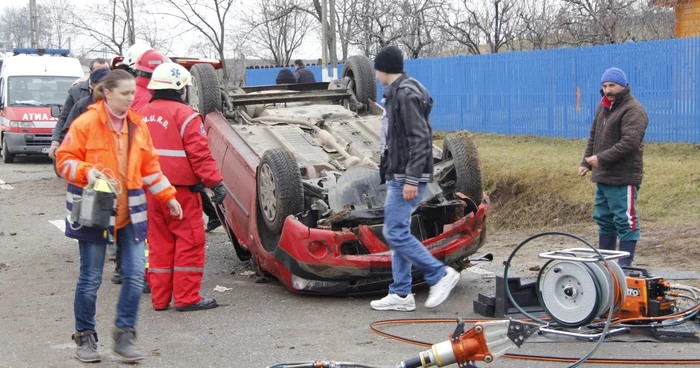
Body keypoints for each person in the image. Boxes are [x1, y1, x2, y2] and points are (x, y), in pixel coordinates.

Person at [56, 69, 183, 363]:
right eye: (125, 94)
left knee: (136, 276)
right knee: (90, 279)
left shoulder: (138, 126)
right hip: (95, 211)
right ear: (107, 92)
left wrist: (168, 197)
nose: (131, 99)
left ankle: (124, 335)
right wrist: (89, 172)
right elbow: (64, 160)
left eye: (133, 94)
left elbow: (150, 168)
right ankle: (85, 336)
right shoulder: (86, 123)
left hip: (132, 211)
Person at [370, 45, 459, 312]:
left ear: (384, 68)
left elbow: (421, 140)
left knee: (394, 232)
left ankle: (439, 274)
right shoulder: (399, 91)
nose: (374, 74)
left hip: (407, 176)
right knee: (400, 232)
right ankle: (401, 293)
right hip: (400, 173)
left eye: (376, 69)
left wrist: (411, 179)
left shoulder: (405, 95)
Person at [139, 63, 226, 312]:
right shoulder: (186, 115)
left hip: (151, 192)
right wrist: (215, 183)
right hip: (182, 193)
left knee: (159, 245)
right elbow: (200, 155)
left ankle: (159, 299)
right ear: (181, 88)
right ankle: (187, 298)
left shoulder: (140, 115)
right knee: (190, 242)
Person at [579, 67, 649, 267]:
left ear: (623, 86)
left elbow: (629, 143)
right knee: (604, 219)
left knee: (625, 220)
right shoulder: (603, 107)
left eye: (612, 85)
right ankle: (606, 263)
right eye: (604, 86)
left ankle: (625, 265)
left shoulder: (633, 110)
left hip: (623, 177)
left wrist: (600, 159)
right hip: (603, 176)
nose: (608, 90)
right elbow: (594, 135)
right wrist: (586, 162)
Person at [49, 58, 110, 160]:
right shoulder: (77, 93)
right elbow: (64, 119)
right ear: (90, 73)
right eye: (98, 71)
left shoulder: (116, 99)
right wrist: (56, 142)